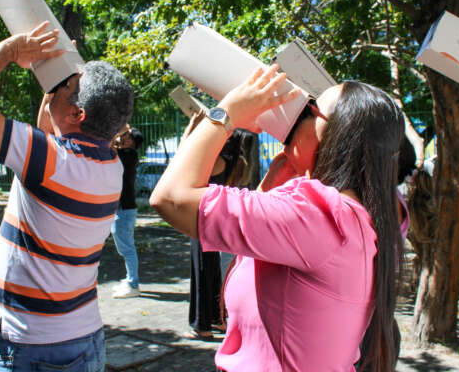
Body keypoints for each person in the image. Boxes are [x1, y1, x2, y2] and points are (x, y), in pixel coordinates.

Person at [150, 65, 404, 371]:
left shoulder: (320, 216)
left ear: (340, 136)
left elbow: (171, 199)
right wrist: (270, 186)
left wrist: (226, 113)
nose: (295, 117)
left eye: (308, 111)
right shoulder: (350, 217)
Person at [0, 21, 134, 372]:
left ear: (78, 113)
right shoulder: (109, 166)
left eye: (65, 86)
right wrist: (55, 74)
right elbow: (51, 130)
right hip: (80, 339)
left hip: (36, 349)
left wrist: (11, 51)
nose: (57, 87)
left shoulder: (49, 161)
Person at [180, 112, 256, 339]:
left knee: (201, 271)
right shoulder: (234, 161)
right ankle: (216, 318)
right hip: (216, 219)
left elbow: (184, 156)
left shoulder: (215, 161)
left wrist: (191, 127)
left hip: (202, 218)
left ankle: (202, 325)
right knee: (212, 270)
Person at [111, 125, 145, 299]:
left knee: (127, 249)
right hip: (122, 208)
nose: (124, 137)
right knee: (125, 248)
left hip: (124, 209)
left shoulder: (128, 155)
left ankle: (133, 284)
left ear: (132, 142)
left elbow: (108, 146)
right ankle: (130, 280)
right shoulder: (126, 154)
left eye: (128, 136)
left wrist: (118, 132)